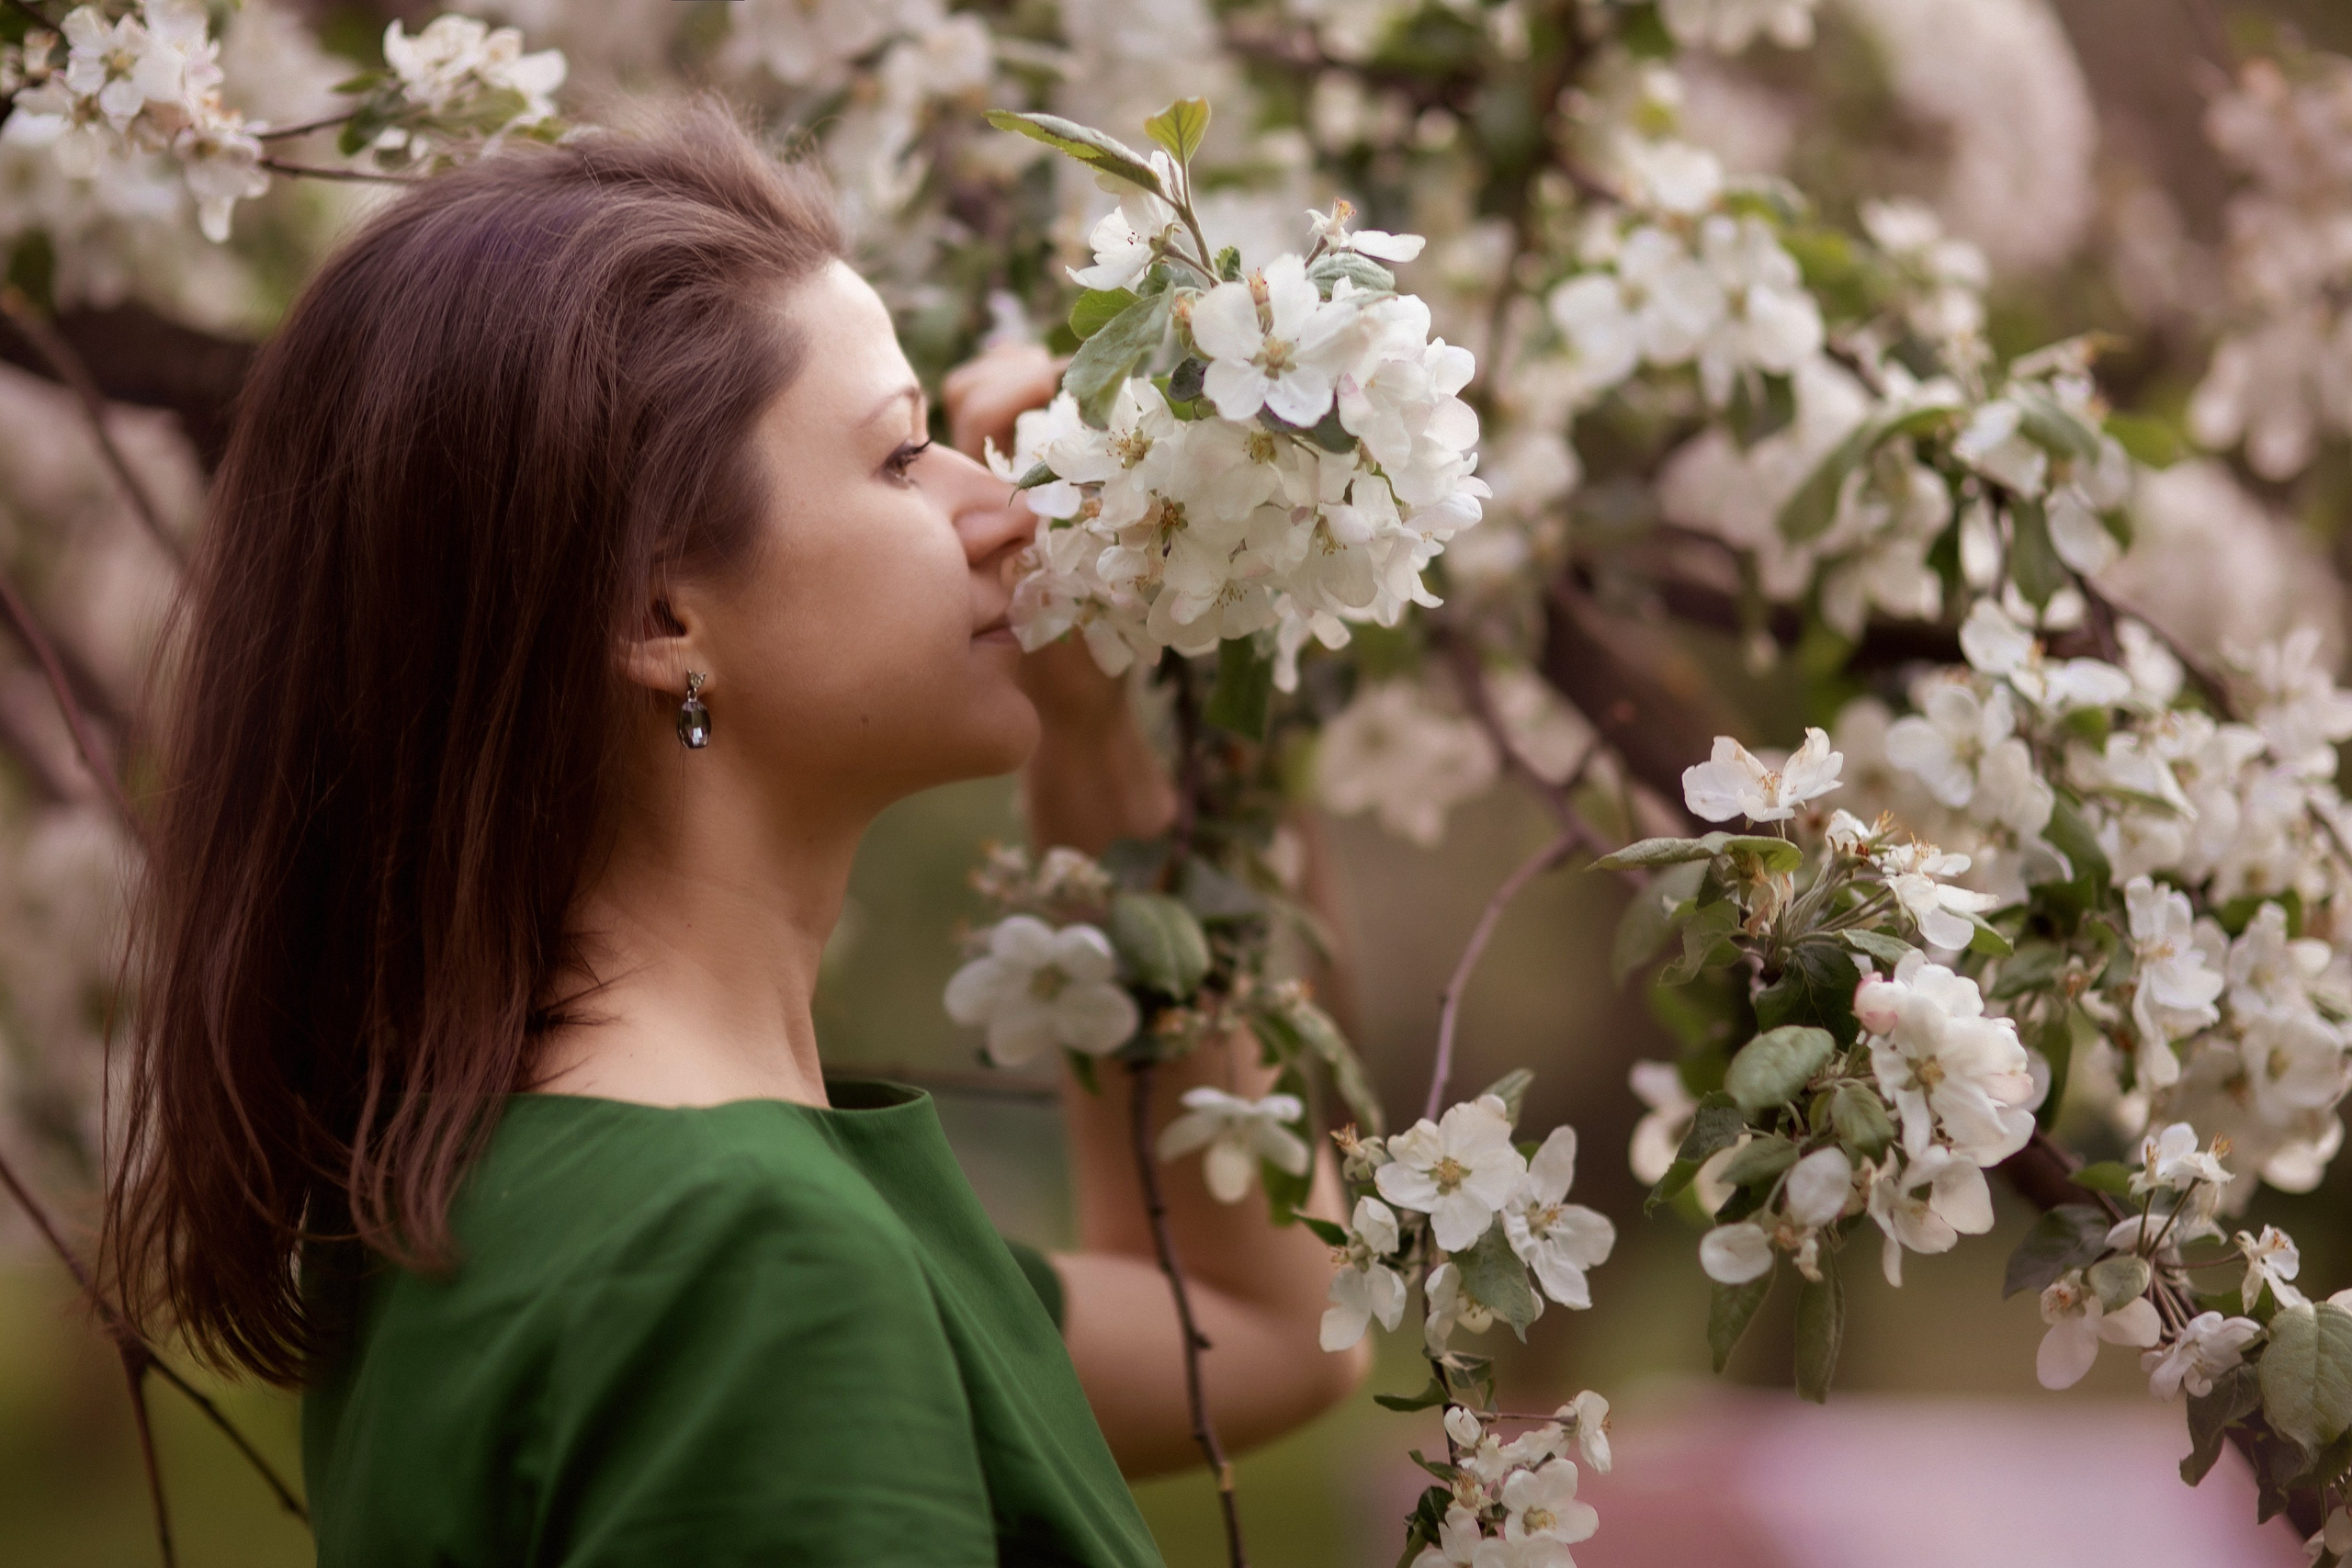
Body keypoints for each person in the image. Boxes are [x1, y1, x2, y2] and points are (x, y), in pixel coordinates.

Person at [103, 102, 1364, 1565]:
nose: (1007, 507)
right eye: (904, 460)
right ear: (658, 614)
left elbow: (1267, 1328)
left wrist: (1095, 747)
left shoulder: (508, 1190)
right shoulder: (750, 1258)